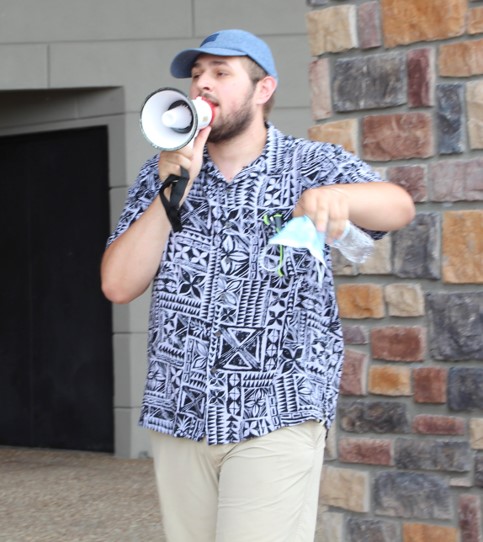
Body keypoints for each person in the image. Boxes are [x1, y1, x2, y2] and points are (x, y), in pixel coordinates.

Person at [101, 29, 415, 542]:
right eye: (197, 75)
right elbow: (117, 284)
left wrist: (339, 198)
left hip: (277, 409)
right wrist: (168, 191)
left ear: (263, 89)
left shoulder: (308, 164)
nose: (203, 84)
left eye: (221, 73)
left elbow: (397, 205)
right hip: (178, 411)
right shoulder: (159, 174)